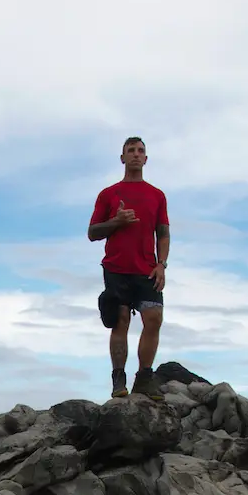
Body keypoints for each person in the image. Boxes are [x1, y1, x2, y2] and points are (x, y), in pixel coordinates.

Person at [88, 136, 170, 400]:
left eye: (141, 151)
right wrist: (117, 221)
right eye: (130, 151)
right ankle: (118, 378)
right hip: (117, 267)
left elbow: (163, 233)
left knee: (154, 319)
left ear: (146, 159)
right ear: (122, 158)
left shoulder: (157, 195)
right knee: (120, 321)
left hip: (146, 268)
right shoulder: (108, 194)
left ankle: (144, 377)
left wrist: (162, 264)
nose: (136, 154)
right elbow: (92, 232)